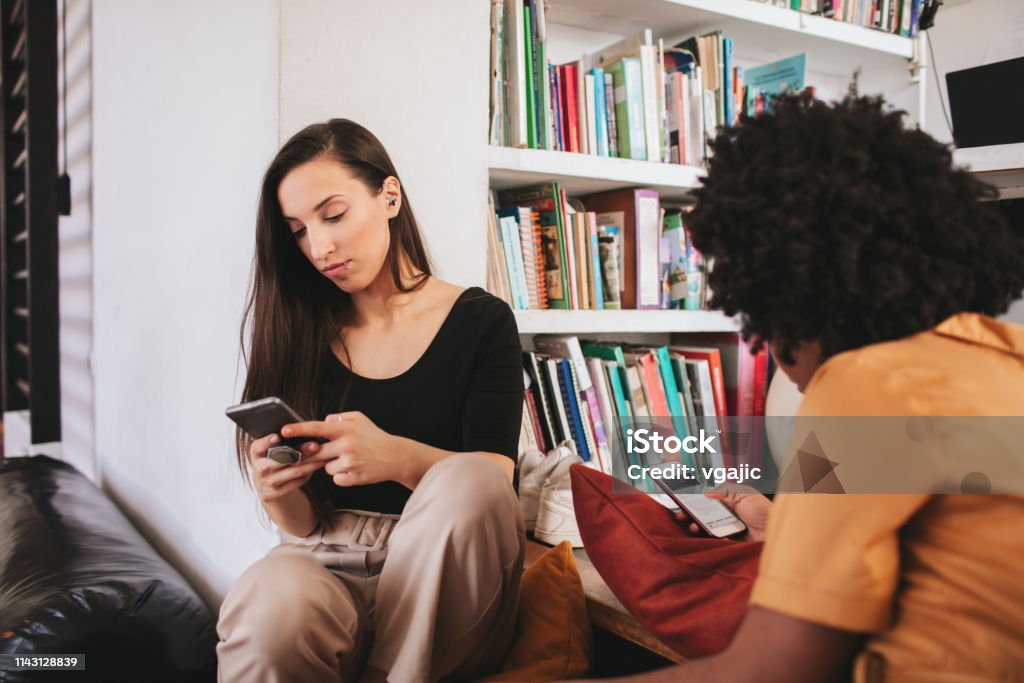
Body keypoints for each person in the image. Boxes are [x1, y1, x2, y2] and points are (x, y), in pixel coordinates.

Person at [599, 89, 1024, 681]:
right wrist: (783, 527)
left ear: (783, 293)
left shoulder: (866, 382)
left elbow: (771, 669)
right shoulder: (1003, 360)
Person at [216, 119, 525, 683]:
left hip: (450, 574)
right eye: (298, 232)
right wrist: (275, 492)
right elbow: (305, 526)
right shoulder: (300, 329)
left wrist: (395, 457)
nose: (320, 247)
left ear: (389, 195)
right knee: (270, 601)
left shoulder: (481, 320)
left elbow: (493, 484)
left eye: (332, 216)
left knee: (471, 478)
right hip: (329, 559)